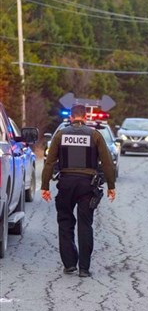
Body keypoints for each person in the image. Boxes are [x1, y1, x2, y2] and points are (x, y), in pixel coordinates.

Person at [41, 104, 116, 278]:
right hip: (87, 185)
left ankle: (69, 265)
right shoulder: (95, 135)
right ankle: (84, 268)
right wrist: (111, 186)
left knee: (65, 222)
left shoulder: (61, 134)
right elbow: (107, 163)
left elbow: (49, 163)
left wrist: (45, 186)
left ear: (72, 117)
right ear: (85, 117)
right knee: (85, 225)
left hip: (66, 183)